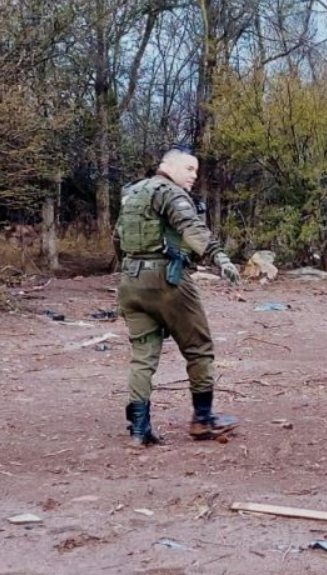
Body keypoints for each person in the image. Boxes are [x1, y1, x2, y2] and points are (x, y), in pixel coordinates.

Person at [114, 150, 241, 448]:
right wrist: (220, 259)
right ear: (167, 166)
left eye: (196, 170)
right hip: (166, 280)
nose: (193, 175)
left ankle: (139, 429)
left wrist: (129, 267)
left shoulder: (132, 193)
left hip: (130, 280)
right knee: (199, 348)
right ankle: (203, 419)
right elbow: (191, 228)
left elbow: (117, 238)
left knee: (143, 356)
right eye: (188, 168)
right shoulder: (170, 192)